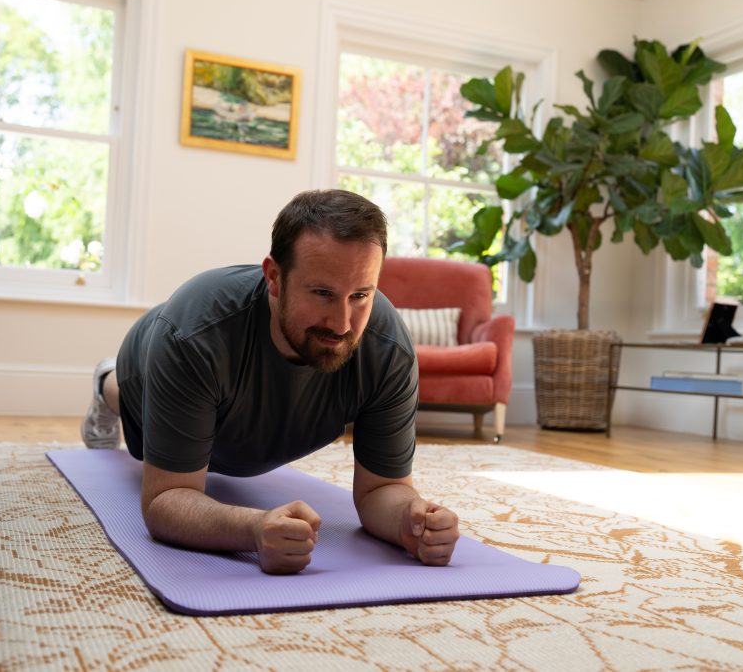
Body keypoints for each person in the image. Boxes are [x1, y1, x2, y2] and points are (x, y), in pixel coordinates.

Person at [81, 189, 460, 574]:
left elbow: (382, 489)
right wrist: (253, 528)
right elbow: (166, 499)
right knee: (128, 398)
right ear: (274, 278)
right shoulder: (193, 337)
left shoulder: (388, 350)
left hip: (249, 414)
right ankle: (104, 383)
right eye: (322, 293)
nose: (342, 323)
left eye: (360, 295)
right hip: (151, 362)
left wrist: (408, 521)